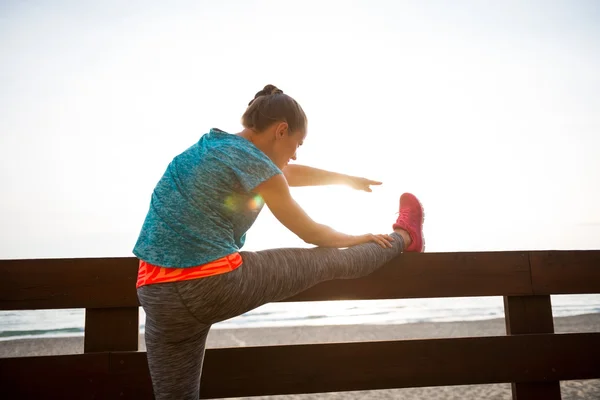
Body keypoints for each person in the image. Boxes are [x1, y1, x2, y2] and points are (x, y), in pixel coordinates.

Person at [134, 84, 425, 400]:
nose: (296, 153)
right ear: (281, 130)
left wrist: (345, 180)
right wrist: (360, 238)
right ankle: (405, 236)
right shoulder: (253, 162)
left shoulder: (209, 146)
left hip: (156, 294)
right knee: (331, 259)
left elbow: (281, 173)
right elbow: (311, 232)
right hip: (209, 284)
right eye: (297, 143)